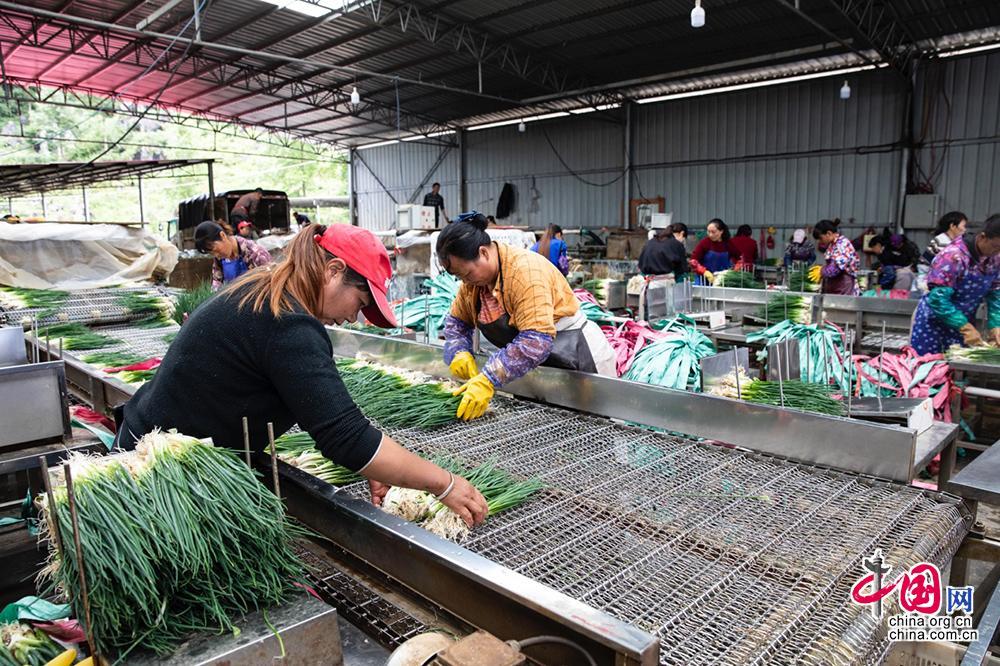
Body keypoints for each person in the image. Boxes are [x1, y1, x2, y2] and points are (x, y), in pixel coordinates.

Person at [119, 225, 488, 529]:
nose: (353, 319)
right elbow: (344, 436)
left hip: (156, 446)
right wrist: (445, 484)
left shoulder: (266, 290)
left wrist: (371, 460)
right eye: (360, 304)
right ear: (333, 271)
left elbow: (326, 412)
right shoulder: (287, 322)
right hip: (157, 475)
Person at [438, 212, 617, 420]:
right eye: (460, 277)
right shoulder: (473, 285)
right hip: (537, 371)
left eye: (467, 274)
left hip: (578, 361)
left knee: (590, 432)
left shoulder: (525, 271)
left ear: (484, 253)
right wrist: (458, 348)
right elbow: (456, 322)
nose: (465, 282)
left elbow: (535, 341)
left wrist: (488, 378)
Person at [910, 214, 1000, 355]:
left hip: (964, 321)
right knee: (929, 368)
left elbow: (995, 293)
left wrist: (996, 326)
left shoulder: (995, 258)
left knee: (957, 368)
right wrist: (965, 328)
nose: (997, 252)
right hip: (933, 322)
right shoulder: (953, 256)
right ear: (983, 237)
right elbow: (938, 299)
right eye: (996, 247)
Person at [195, 220, 272, 291]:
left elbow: (271, 284)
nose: (217, 256)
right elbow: (216, 286)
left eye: (216, 250)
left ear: (223, 235)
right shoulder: (219, 260)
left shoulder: (255, 253)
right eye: (212, 253)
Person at [917, 211, 968, 291]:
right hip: (931, 283)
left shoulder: (956, 243)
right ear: (952, 226)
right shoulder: (942, 241)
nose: (965, 230)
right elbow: (924, 265)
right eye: (964, 226)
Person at [813, 219, 859, 295]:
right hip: (836, 286)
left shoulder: (842, 244)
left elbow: (835, 269)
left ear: (828, 233)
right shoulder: (832, 245)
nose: (820, 242)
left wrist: (821, 271)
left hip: (844, 287)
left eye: (821, 238)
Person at [690, 218, 738, 284]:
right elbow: (693, 260)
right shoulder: (705, 243)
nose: (710, 235)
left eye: (713, 232)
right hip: (704, 281)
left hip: (722, 281)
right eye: (708, 231)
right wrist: (704, 271)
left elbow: (739, 258)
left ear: (721, 231)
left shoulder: (728, 244)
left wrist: (734, 270)